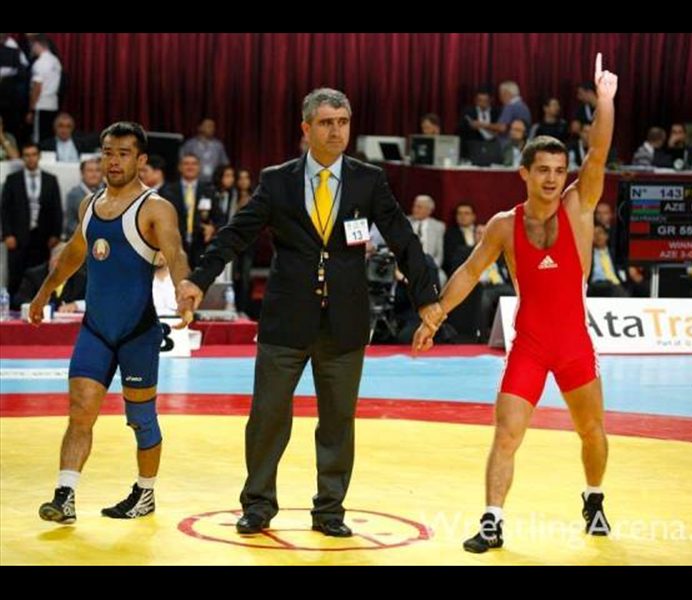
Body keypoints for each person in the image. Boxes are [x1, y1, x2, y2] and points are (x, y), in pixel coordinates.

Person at [176, 89, 441, 538]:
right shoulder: (277, 180)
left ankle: (330, 509)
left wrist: (426, 297)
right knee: (267, 417)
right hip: (285, 321)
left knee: (338, 421)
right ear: (306, 128)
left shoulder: (368, 180)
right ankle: (258, 504)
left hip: (345, 322)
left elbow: (403, 239)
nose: (336, 131)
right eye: (325, 122)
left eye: (343, 121)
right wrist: (198, 280)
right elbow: (235, 234)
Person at [415, 55, 618, 553]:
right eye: (542, 170)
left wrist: (605, 101)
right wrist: (436, 315)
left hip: (573, 345)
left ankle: (593, 497)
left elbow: (597, 154)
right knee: (506, 435)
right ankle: (492, 521)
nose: (552, 179)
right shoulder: (504, 225)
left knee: (592, 432)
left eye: (559, 171)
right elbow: (469, 272)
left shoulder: (578, 207)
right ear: (524, 172)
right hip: (529, 344)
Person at [32, 122, 192, 525]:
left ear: (141, 160)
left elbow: (175, 254)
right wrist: (45, 291)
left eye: (123, 154)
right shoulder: (90, 205)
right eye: (107, 153)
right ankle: (64, 496)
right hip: (96, 330)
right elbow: (74, 252)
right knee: (80, 410)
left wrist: (184, 289)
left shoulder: (155, 208)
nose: (113, 161)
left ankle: (145, 492)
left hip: (137, 332)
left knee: (141, 419)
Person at [1, 142, 62, 296]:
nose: (31, 158)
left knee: (40, 275)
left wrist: (56, 234)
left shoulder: (50, 179)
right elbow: (4, 209)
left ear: (39, 156)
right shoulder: (12, 179)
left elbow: (57, 209)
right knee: (15, 274)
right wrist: (7, 235)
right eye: (27, 155)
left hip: (43, 237)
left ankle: (40, 305)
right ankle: (13, 307)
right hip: (18, 236)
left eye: (34, 154)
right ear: (22, 157)